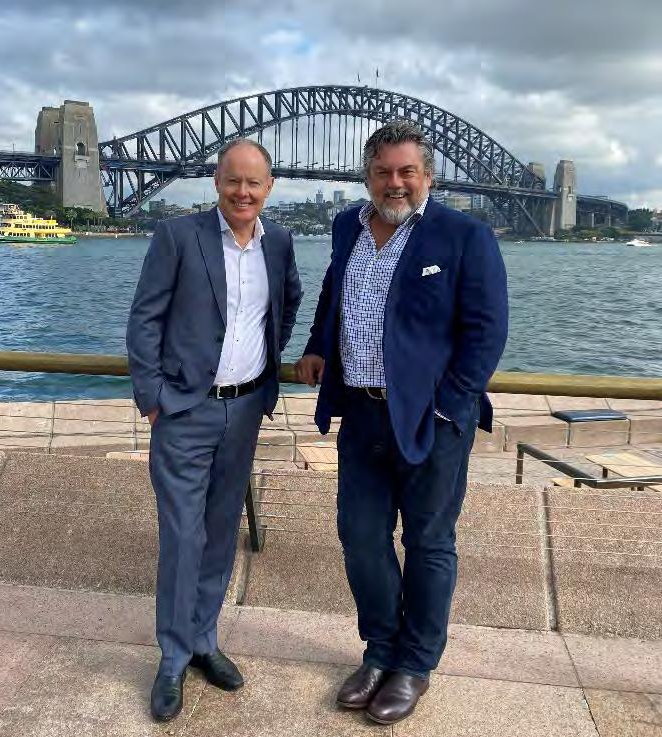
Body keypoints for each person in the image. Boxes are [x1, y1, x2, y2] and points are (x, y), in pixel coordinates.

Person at [295, 120, 508, 725]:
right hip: (362, 411)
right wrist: (317, 345)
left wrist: (450, 406)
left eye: (407, 171)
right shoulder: (347, 225)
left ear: (427, 176)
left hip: (431, 420)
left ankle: (414, 664)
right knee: (360, 536)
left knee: (428, 542)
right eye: (383, 171)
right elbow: (334, 289)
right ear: (367, 176)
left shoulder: (464, 235)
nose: (395, 182)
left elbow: (487, 329)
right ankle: (380, 650)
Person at [127, 138, 302, 722]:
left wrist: (266, 362)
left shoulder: (279, 241)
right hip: (184, 410)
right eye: (233, 181)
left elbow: (288, 303)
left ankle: (204, 639)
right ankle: (173, 657)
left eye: (254, 183)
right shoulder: (177, 236)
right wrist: (153, 397)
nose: (242, 192)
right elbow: (145, 318)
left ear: (269, 187)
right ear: (216, 182)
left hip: (245, 409)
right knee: (184, 534)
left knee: (222, 531)